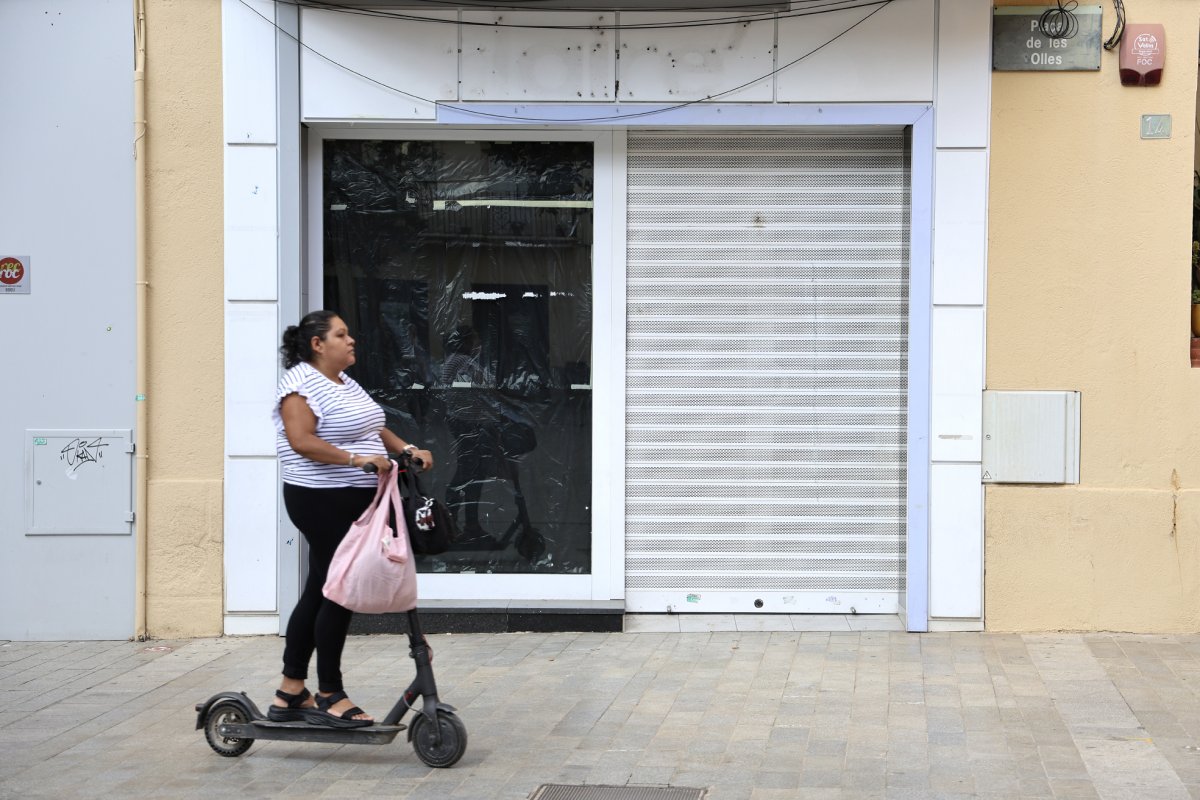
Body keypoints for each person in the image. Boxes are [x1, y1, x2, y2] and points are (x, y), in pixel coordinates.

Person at [271, 310, 434, 728]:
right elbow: (301, 440)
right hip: (319, 499)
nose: (351, 341)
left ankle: (290, 691)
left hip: (358, 498)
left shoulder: (343, 382)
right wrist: (354, 459)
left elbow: (373, 427)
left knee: (321, 588)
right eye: (341, 335)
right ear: (317, 344)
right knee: (339, 589)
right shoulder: (299, 386)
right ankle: (329, 693)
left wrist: (408, 449)